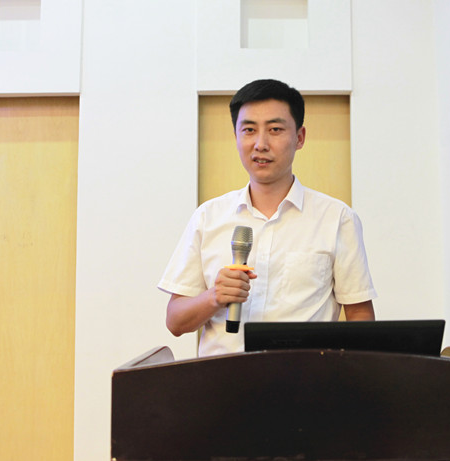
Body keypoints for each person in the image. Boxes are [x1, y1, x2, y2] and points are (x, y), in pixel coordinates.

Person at [158, 79, 376, 356]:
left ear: (299, 137)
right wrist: (214, 297)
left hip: (305, 378)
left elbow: (360, 316)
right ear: (236, 137)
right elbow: (175, 321)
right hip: (221, 379)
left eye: (275, 130)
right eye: (249, 130)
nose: (260, 144)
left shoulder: (337, 218)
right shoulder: (207, 217)